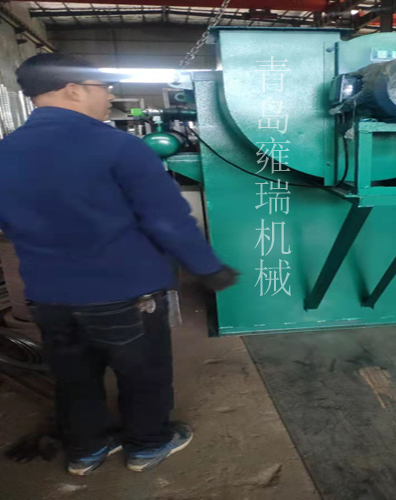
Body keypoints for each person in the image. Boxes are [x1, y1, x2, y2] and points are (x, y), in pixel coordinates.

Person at [0, 53, 238, 475]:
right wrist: (206, 267)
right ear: (73, 89)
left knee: (74, 377)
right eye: (103, 87)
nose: (110, 96)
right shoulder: (118, 146)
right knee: (143, 374)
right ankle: (147, 445)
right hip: (124, 292)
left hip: (49, 296)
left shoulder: (6, 151)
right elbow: (166, 218)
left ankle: (86, 452)